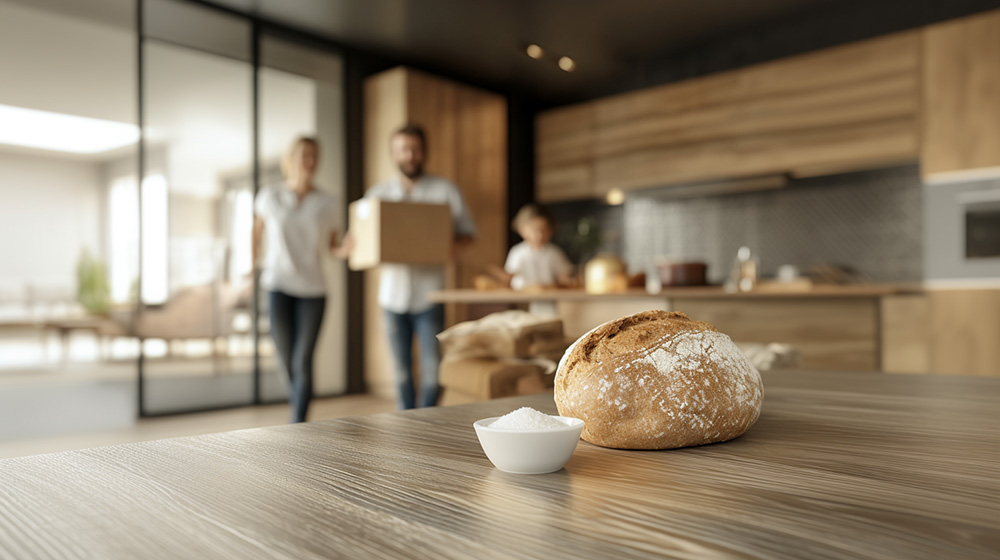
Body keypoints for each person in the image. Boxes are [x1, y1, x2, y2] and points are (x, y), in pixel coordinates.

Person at [364, 124, 476, 410]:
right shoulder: (377, 194)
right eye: (403, 149)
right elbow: (363, 236)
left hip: (430, 294)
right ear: (393, 153)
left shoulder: (445, 190)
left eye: (415, 149)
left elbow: (468, 232)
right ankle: (406, 422)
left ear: (424, 152)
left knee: (431, 371)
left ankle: (424, 417)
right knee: (400, 371)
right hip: (391, 296)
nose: (410, 155)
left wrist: (450, 247)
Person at [252, 136, 351, 423]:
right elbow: (255, 231)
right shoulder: (269, 196)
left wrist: (345, 250)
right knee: (285, 362)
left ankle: (298, 423)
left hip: (313, 289)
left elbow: (333, 246)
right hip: (278, 286)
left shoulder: (328, 202)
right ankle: (298, 419)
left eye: (312, 156)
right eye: (302, 155)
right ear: (290, 159)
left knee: (302, 361)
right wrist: (252, 264)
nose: (307, 161)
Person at [491, 203, 573, 317]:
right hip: (523, 302)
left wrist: (566, 281)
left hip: (549, 302)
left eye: (543, 230)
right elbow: (509, 276)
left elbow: (564, 276)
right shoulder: (517, 252)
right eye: (534, 230)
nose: (539, 235)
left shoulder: (554, 253)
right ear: (521, 229)